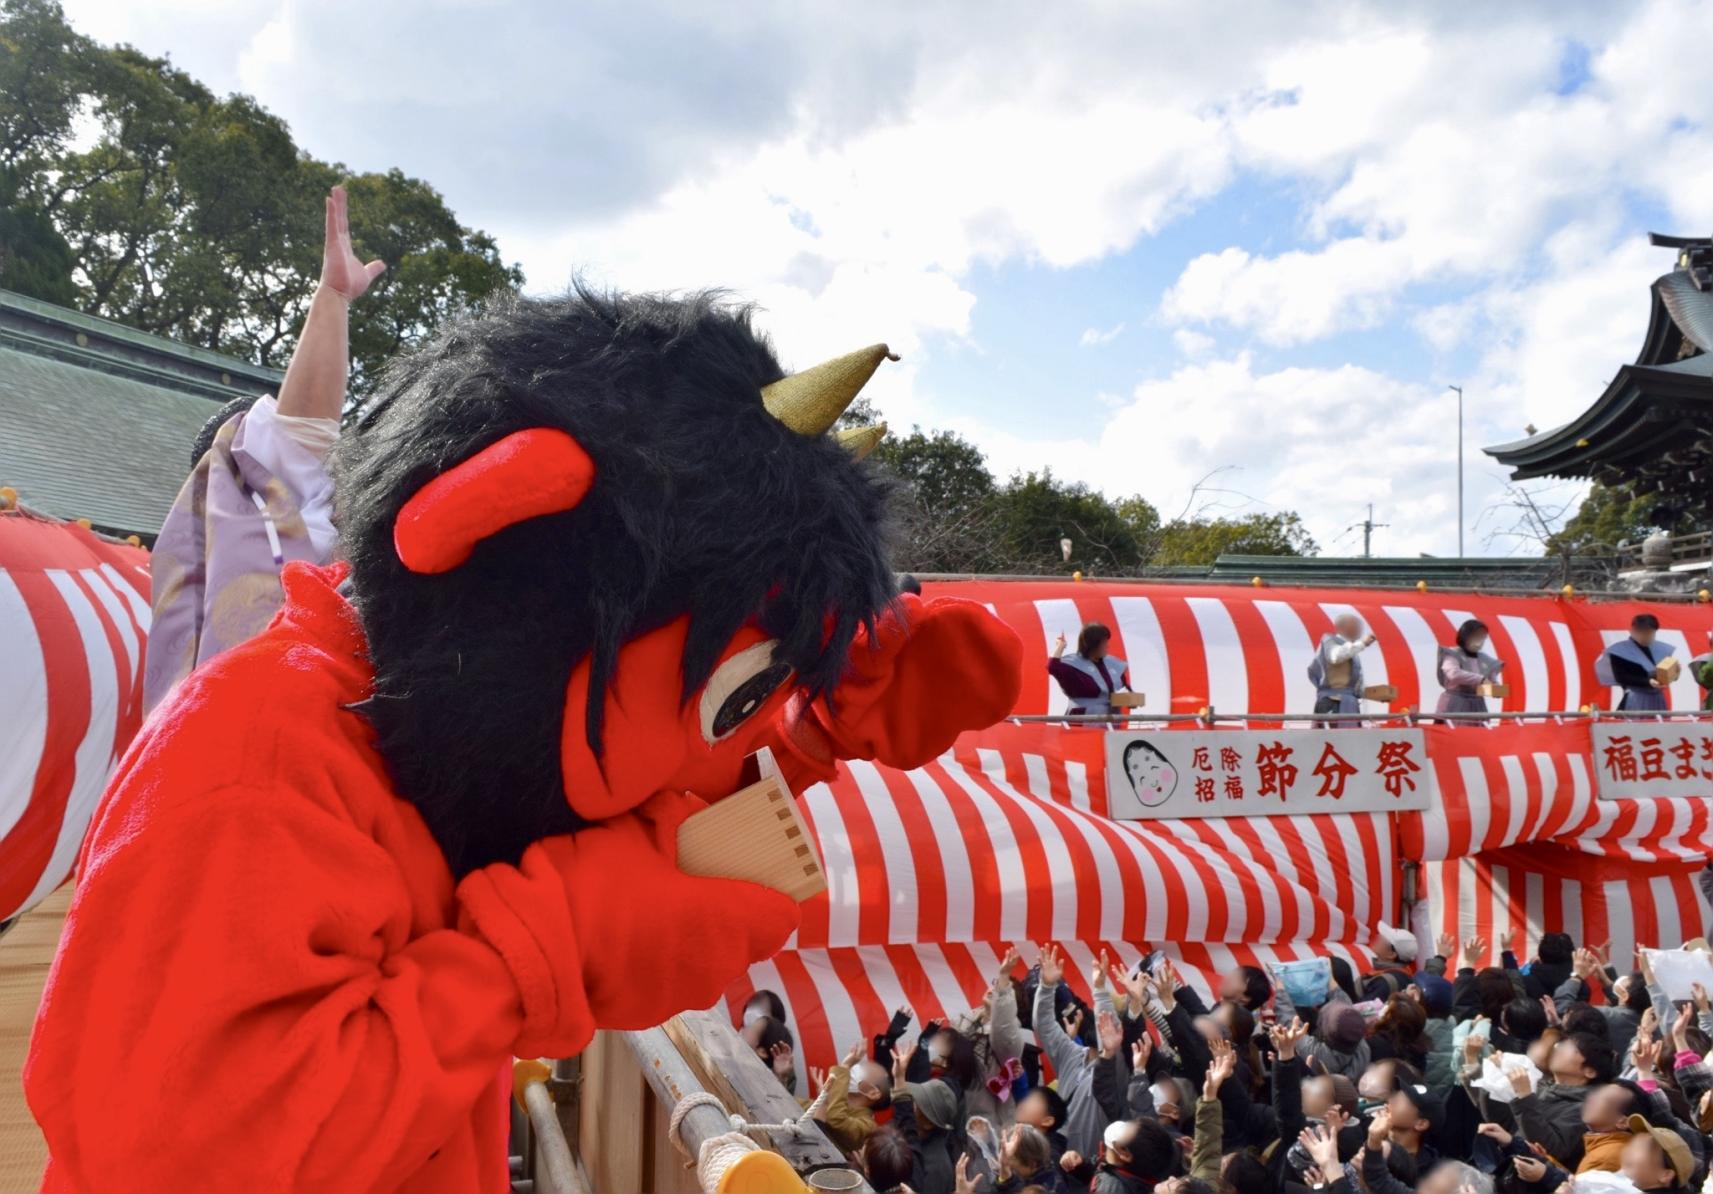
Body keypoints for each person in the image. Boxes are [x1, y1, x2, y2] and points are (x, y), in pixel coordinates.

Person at [27, 282, 1027, 1190]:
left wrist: (813, 735)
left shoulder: (426, 742)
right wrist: (540, 951)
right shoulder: (257, 766)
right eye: (729, 702)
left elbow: (618, 779)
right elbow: (186, 1156)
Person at [144, 185, 379, 712]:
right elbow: (294, 445)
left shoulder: (183, 601)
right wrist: (333, 300)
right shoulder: (254, 560)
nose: (329, 485)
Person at [817, 1041, 891, 1154]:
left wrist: (845, 1066)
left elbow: (837, 1120)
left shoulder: (868, 1127)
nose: (852, 1069)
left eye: (863, 1069)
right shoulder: (832, 1101)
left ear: (872, 1093)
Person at [1049, 623, 1132, 718]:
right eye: (1103, 642)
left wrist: (1131, 699)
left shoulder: (1112, 663)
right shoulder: (1073, 665)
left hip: (1110, 721)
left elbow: (1126, 690)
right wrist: (1060, 646)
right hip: (1082, 722)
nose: (1107, 646)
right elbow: (1053, 666)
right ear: (1092, 644)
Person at [1596, 613, 1676, 711]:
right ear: (1633, 631)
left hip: (1657, 698)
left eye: (1651, 633)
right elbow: (1621, 677)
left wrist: (1672, 673)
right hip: (1635, 698)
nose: (1648, 636)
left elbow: (1663, 674)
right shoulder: (1619, 651)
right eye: (1644, 633)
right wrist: (1648, 681)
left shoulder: (1660, 649)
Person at [1309, 613, 1375, 725]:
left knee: (1350, 739)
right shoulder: (1329, 641)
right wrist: (1363, 643)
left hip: (1350, 703)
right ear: (1342, 627)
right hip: (1333, 702)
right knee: (1332, 739)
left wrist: (1376, 694)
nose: (1360, 630)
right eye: (1356, 626)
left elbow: (1355, 685)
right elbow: (1335, 657)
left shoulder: (1351, 649)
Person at [1436, 619, 1504, 722]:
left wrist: (1497, 691)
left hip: (1477, 707)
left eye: (1482, 637)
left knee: (1478, 736)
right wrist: (1480, 679)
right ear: (1465, 636)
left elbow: (1490, 685)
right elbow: (1453, 674)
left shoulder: (1486, 660)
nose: (1479, 641)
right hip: (1454, 705)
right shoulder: (1452, 654)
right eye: (1476, 636)